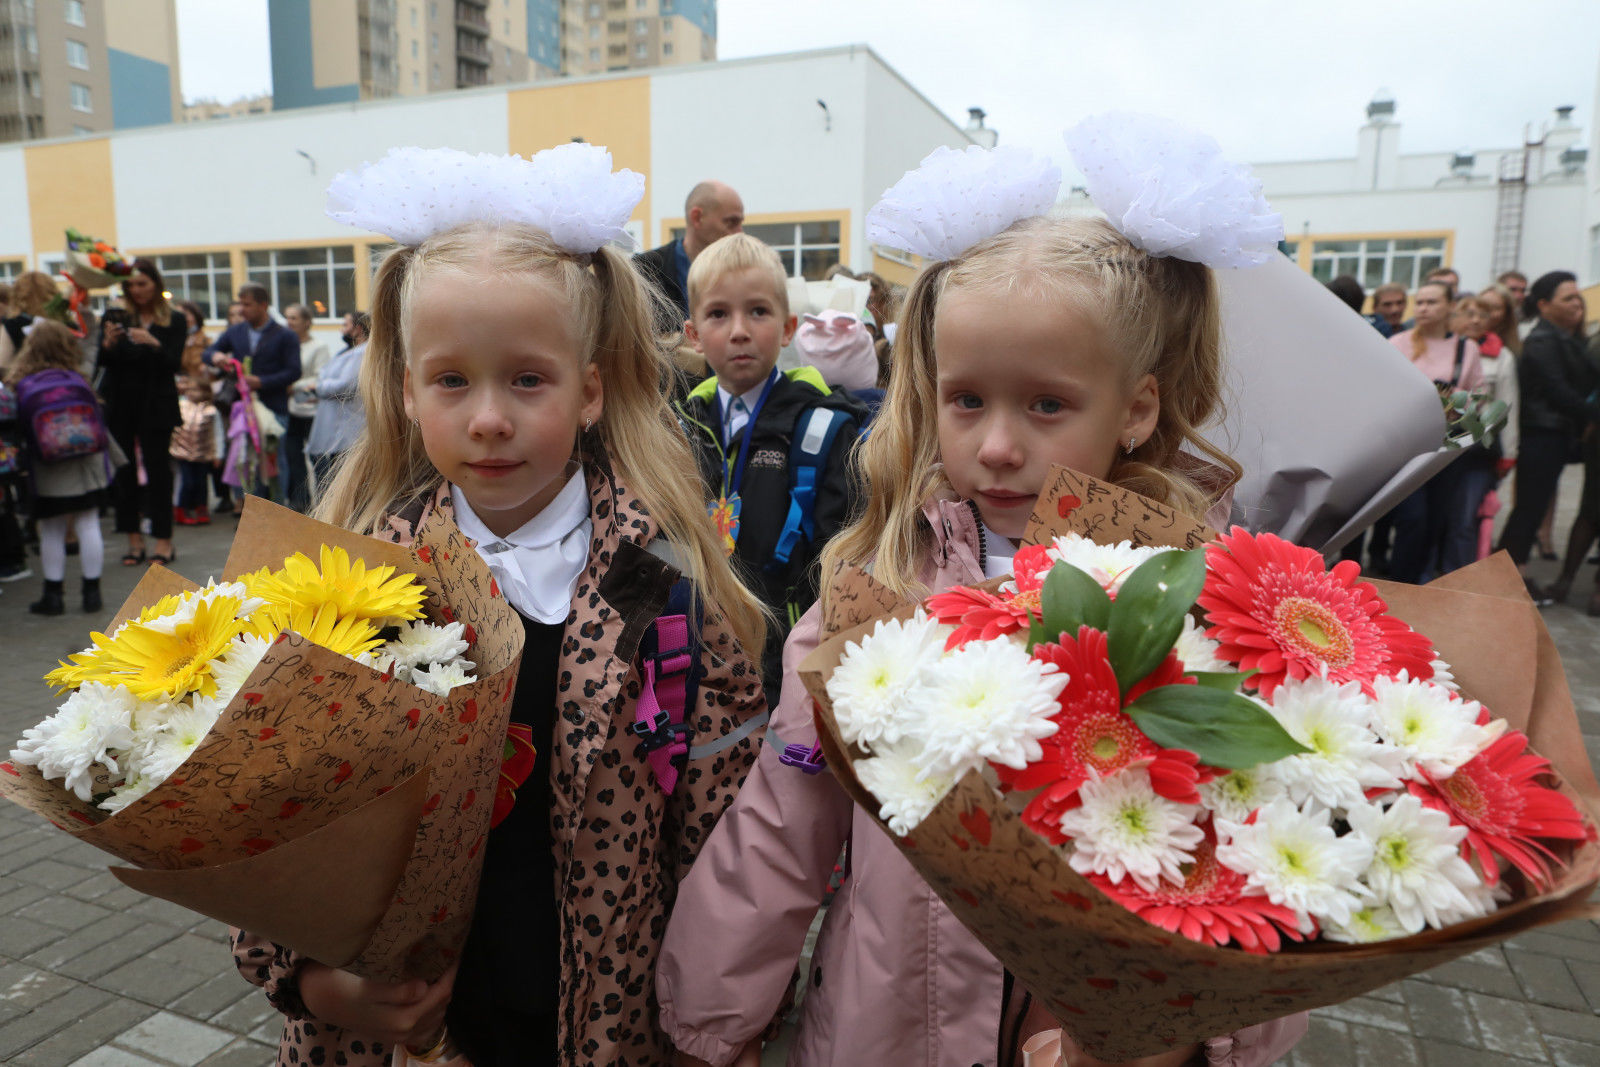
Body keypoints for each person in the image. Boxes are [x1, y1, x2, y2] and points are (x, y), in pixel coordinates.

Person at [658, 135, 1304, 1067]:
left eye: (1046, 405)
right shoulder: (879, 589)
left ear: (1136, 407)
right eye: (966, 401)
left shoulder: (1206, 607)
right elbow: (781, 819)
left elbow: (1267, 859)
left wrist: (1196, 1032)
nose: (997, 446)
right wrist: (709, 1022)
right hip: (889, 1026)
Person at [231, 144, 769, 1067]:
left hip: (608, 1026)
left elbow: (726, 839)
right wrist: (310, 980)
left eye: (527, 379)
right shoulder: (341, 589)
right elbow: (271, 831)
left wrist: (720, 1025)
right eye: (452, 380)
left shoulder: (670, 589)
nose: (488, 418)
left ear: (590, 389)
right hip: (397, 1032)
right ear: (406, 390)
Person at [674, 233, 864, 699]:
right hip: (698, 659)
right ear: (694, 334)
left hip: (789, 664)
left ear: (787, 327)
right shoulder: (678, 430)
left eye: (758, 311)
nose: (739, 330)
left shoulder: (822, 429)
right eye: (719, 313)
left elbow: (843, 557)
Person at [1496, 271, 1597, 602]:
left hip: (1554, 434)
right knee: (1529, 507)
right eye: (1567, 298)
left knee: (1533, 506)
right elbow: (1560, 392)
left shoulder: (1564, 337)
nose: (1576, 303)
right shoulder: (1542, 342)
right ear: (1543, 305)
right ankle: (1510, 575)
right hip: (1542, 435)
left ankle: (1512, 571)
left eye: (1577, 296)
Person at [5, 320, 113, 614]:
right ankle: (93, 594)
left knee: (51, 529)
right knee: (88, 523)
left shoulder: (23, 384)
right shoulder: (78, 379)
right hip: (86, 465)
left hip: (47, 467)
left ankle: (53, 596)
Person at [1383, 281, 1484, 584]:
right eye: (1421, 302)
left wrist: (1459, 407)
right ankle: (1400, 581)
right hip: (1408, 447)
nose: (1424, 308)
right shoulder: (1398, 343)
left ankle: (1417, 582)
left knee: (1436, 519)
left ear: (1450, 307)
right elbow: (1383, 391)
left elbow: (1479, 395)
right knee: (1411, 518)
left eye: (1433, 302)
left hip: (1447, 447)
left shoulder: (1466, 348)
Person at [99, 258, 185, 567]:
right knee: (124, 472)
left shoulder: (173, 320)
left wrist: (155, 344)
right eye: (131, 285)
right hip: (121, 404)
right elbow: (103, 363)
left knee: (159, 472)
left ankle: (163, 541)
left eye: (142, 284)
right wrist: (108, 345)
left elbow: (175, 364)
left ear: (155, 284)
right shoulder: (115, 316)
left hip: (157, 405)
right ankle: (133, 540)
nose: (136, 290)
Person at [204, 284, 301, 498]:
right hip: (243, 411)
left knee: (274, 463)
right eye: (240, 304)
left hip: (274, 410)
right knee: (246, 463)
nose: (241, 310)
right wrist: (215, 357)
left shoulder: (285, 335)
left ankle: (277, 513)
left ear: (263, 305)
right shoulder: (235, 331)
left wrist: (261, 381)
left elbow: (294, 372)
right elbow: (209, 352)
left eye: (247, 304)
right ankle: (251, 514)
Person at [634, 179, 745, 323]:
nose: (739, 233)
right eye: (731, 223)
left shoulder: (743, 273)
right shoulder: (645, 273)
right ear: (697, 217)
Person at [305, 310, 369, 497]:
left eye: (345, 325)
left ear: (357, 329)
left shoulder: (361, 353)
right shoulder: (350, 352)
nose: (342, 330)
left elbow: (346, 386)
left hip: (347, 432)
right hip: (341, 428)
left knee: (339, 485)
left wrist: (318, 387)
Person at [282, 303, 332, 512]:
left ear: (307, 322)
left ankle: (325, 504)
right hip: (289, 410)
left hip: (312, 413)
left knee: (318, 460)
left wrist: (295, 386)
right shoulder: (284, 346)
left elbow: (321, 376)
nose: (289, 322)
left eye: (294, 318)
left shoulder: (318, 347)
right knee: (293, 459)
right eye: (287, 317)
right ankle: (300, 502)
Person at [170, 374, 222, 525]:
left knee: (201, 483)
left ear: (205, 392)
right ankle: (181, 509)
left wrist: (218, 454)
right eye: (189, 389)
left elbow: (217, 434)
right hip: (183, 453)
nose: (191, 392)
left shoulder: (211, 411)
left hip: (203, 454)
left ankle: (202, 508)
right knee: (187, 482)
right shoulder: (180, 406)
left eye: (196, 390)